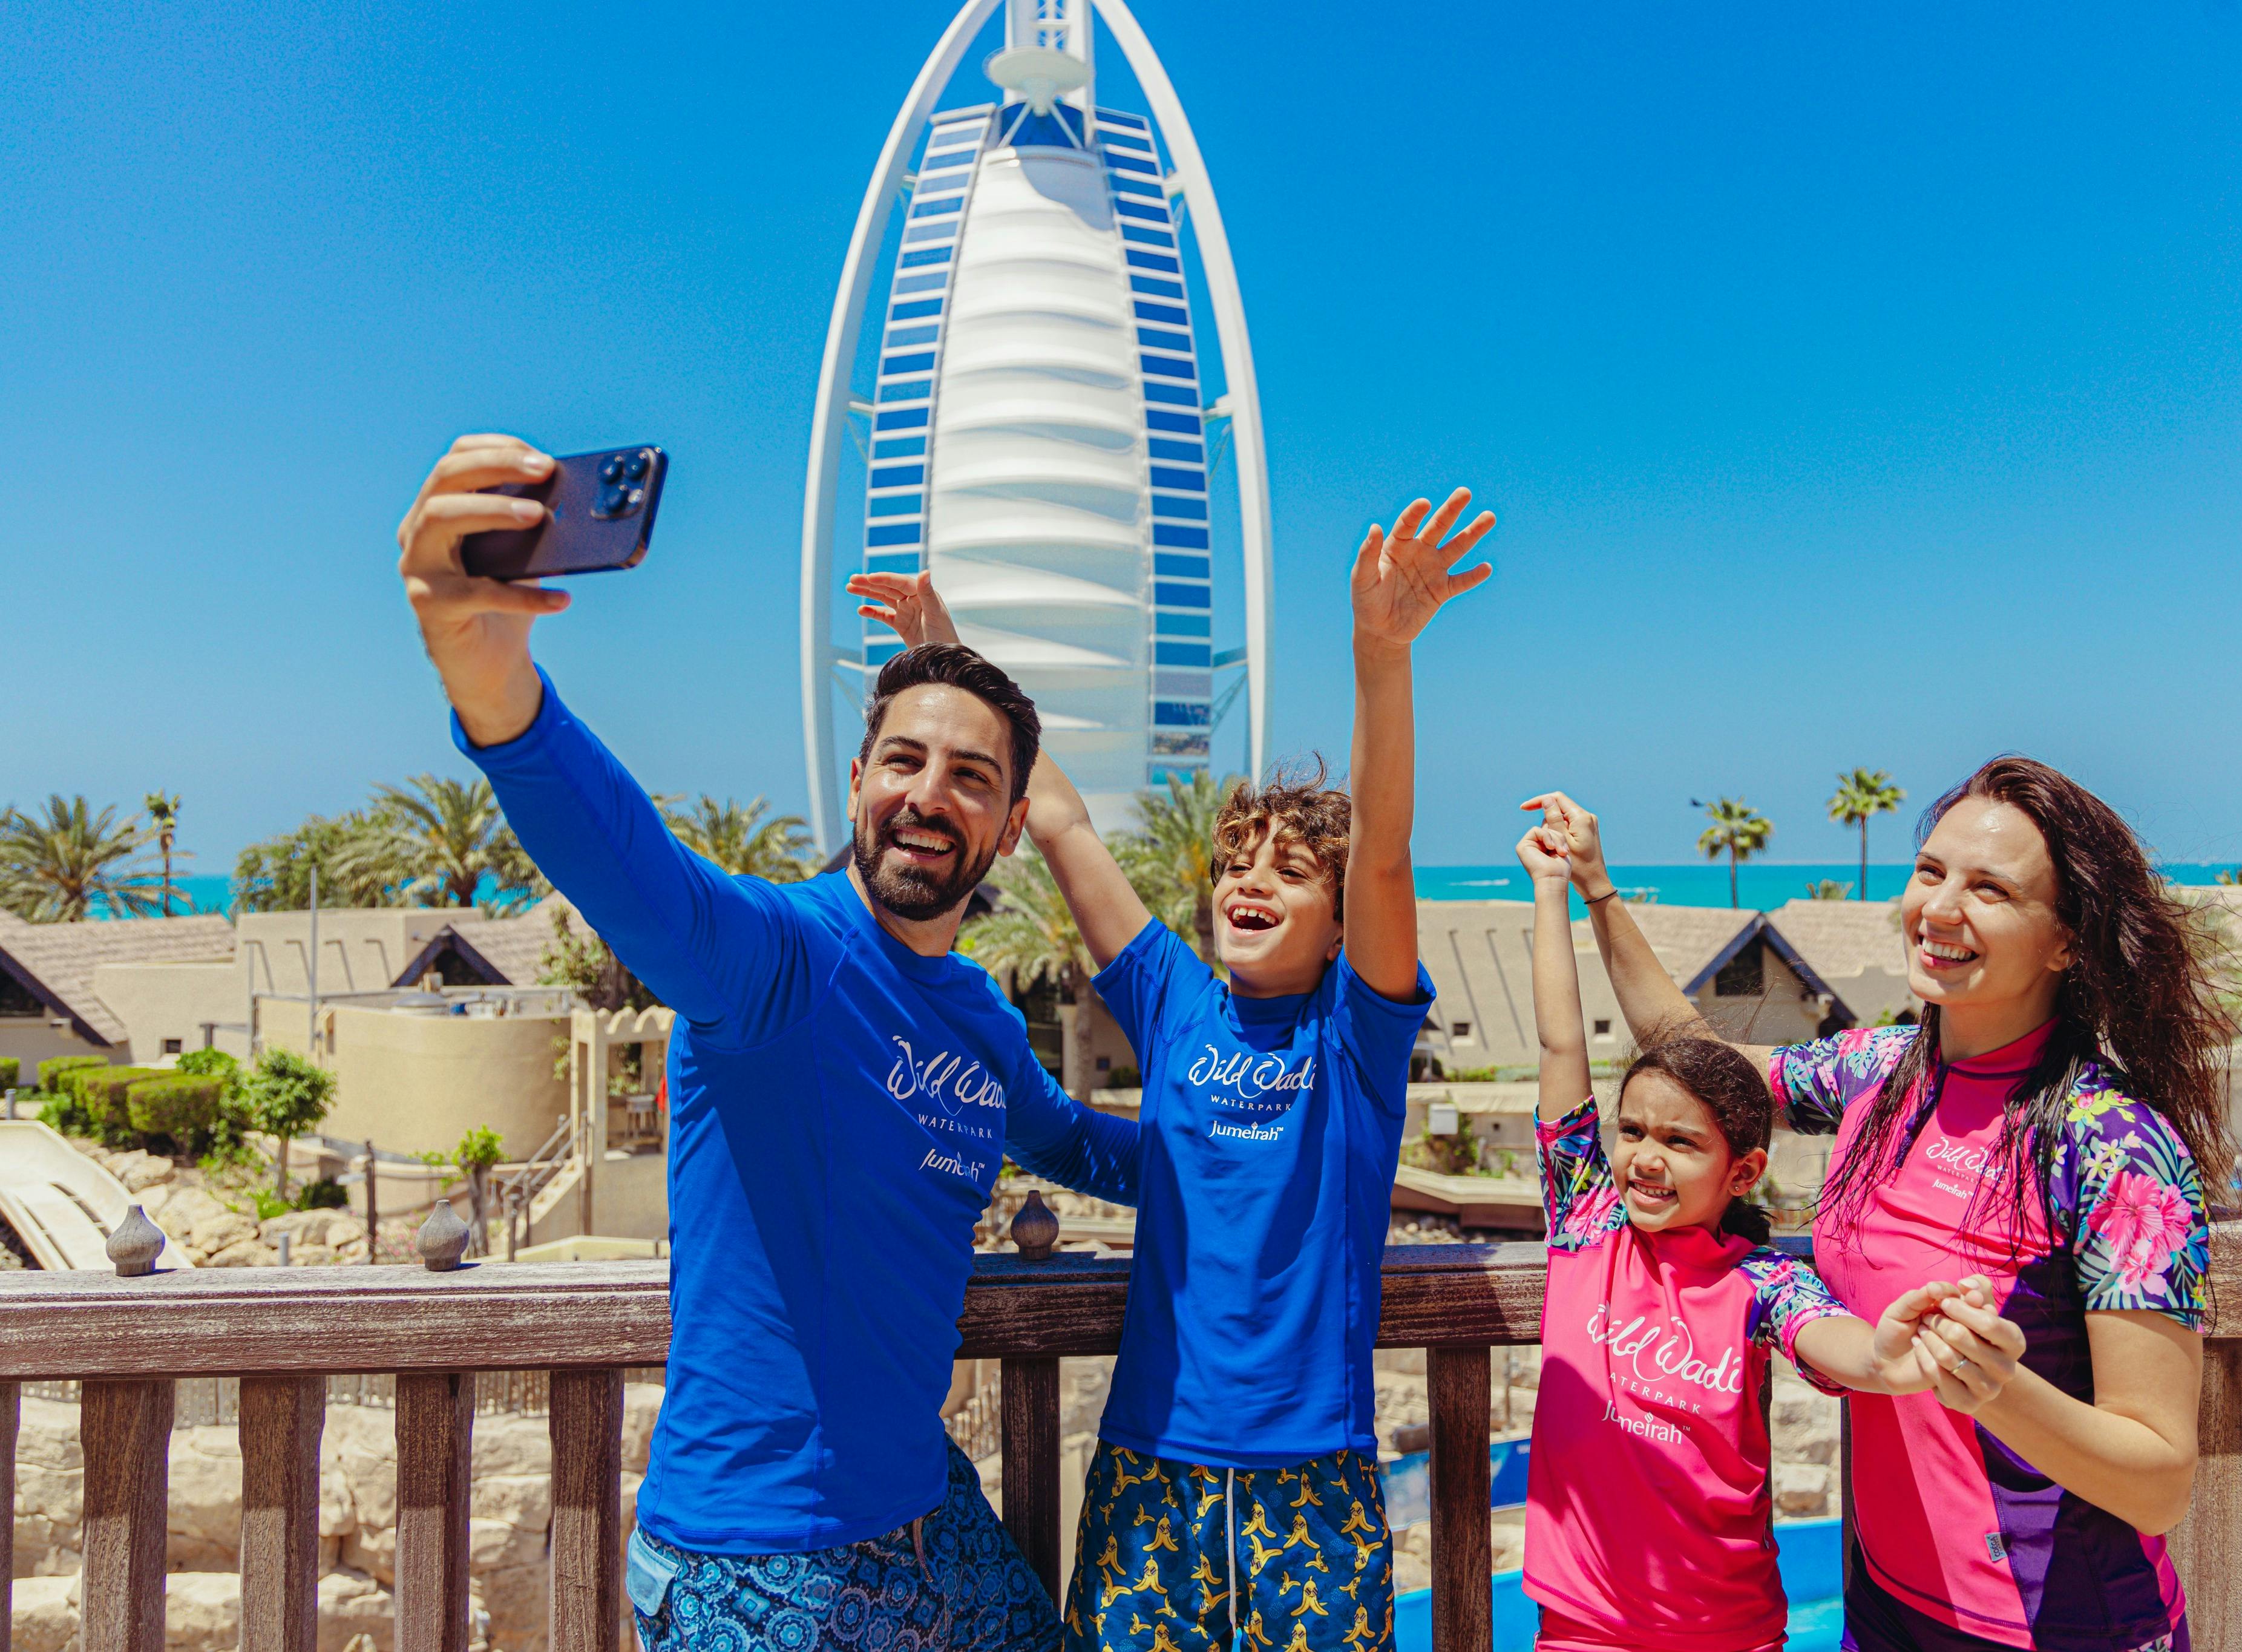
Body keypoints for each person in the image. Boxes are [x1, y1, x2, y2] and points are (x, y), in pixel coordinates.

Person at [396, 433, 1139, 1652]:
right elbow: (633, 868)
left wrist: (1270, 1152)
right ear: (855, 784)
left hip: (922, 1517)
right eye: (903, 759)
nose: (926, 793)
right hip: (756, 1568)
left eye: (969, 778)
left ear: (1010, 829)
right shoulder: (775, 960)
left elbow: (1076, 1145)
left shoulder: (978, 1018)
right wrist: (485, 668)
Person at [849, 489, 1486, 1652]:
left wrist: (1379, 658)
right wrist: (940, 662)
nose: (1250, 881)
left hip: (1313, 1481)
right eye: (1237, 861)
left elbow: (1385, 857)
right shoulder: (1177, 1001)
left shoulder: (1355, 1038)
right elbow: (1059, 819)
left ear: (1340, 922)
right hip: (1153, 1464)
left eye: (1291, 871)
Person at [1529, 761, 2230, 1652]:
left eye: (1991, 889)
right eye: (1931, 871)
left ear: (2068, 942)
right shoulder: (1881, 1071)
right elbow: (1701, 1073)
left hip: (2057, 1624)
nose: (1940, 908)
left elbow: (2159, 1480)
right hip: (1887, 1607)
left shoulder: (2117, 1146)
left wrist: (1998, 1390)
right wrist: (1596, 892)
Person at [1515, 818, 2012, 1652]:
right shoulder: (1585, 1223)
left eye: (1681, 1142)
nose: (1645, 1156)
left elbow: (1835, 1340)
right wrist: (1555, 888)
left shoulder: (1760, 1281)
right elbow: (1561, 1038)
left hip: (1730, 1627)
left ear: (1741, 1172)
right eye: (1632, 1130)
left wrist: (1892, 1358)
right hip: (1581, 1627)